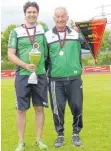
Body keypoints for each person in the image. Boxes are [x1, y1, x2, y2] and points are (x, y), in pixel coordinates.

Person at [8, 2, 48, 151]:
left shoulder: (44, 30)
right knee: (21, 110)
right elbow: (10, 54)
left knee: (39, 108)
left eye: (34, 12)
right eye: (29, 12)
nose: (32, 14)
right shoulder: (16, 31)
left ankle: (39, 140)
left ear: (38, 13)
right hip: (23, 75)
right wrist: (25, 65)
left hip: (40, 75)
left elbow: (51, 49)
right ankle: (21, 142)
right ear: (25, 14)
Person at [45, 7, 85, 148]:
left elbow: (89, 45)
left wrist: (89, 31)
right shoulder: (47, 36)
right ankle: (60, 135)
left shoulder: (76, 34)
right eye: (57, 16)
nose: (60, 19)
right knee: (57, 109)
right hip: (56, 80)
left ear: (67, 17)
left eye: (63, 16)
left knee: (77, 106)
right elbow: (44, 58)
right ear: (54, 18)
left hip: (74, 78)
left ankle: (76, 133)